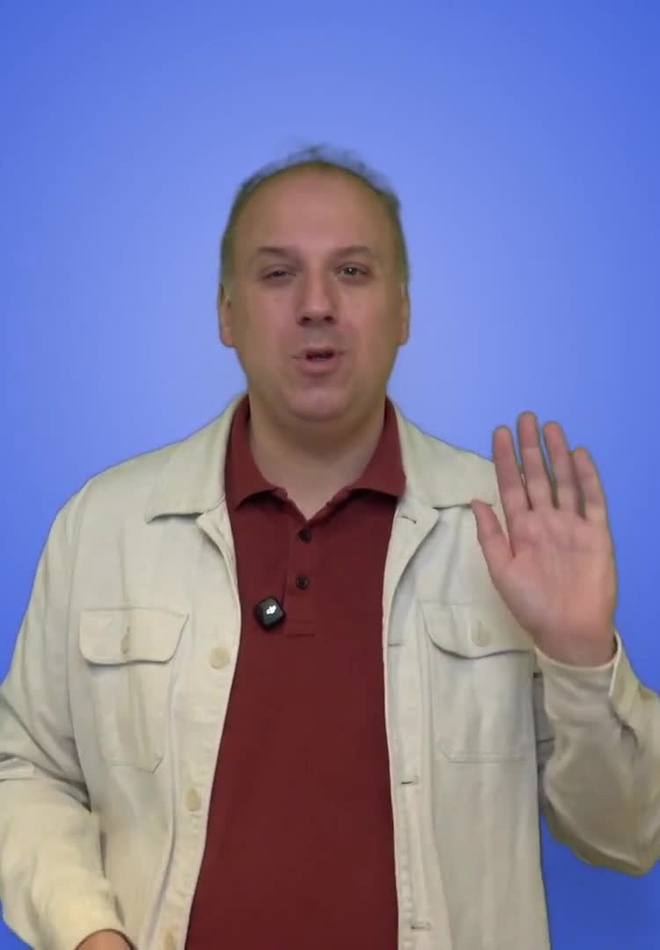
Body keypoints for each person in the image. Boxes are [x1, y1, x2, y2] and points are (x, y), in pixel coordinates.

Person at [0, 145, 658, 950]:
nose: (317, 304)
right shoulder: (105, 526)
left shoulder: (505, 530)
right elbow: (23, 771)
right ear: (227, 314)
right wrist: (86, 933)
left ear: (403, 312)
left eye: (352, 271)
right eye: (278, 274)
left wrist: (582, 654)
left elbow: (626, 837)